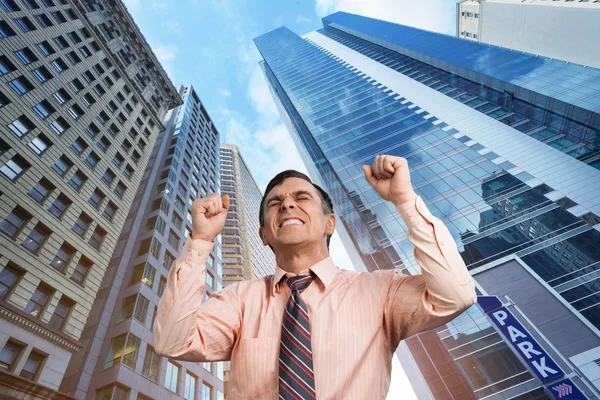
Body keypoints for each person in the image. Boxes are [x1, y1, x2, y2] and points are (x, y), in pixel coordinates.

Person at [154, 154, 476, 400]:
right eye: (275, 203)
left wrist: (405, 201)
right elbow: (172, 341)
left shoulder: (379, 290)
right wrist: (200, 241)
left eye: (301, 197)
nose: (288, 204)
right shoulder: (240, 300)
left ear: (329, 223)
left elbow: (455, 296)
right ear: (264, 234)